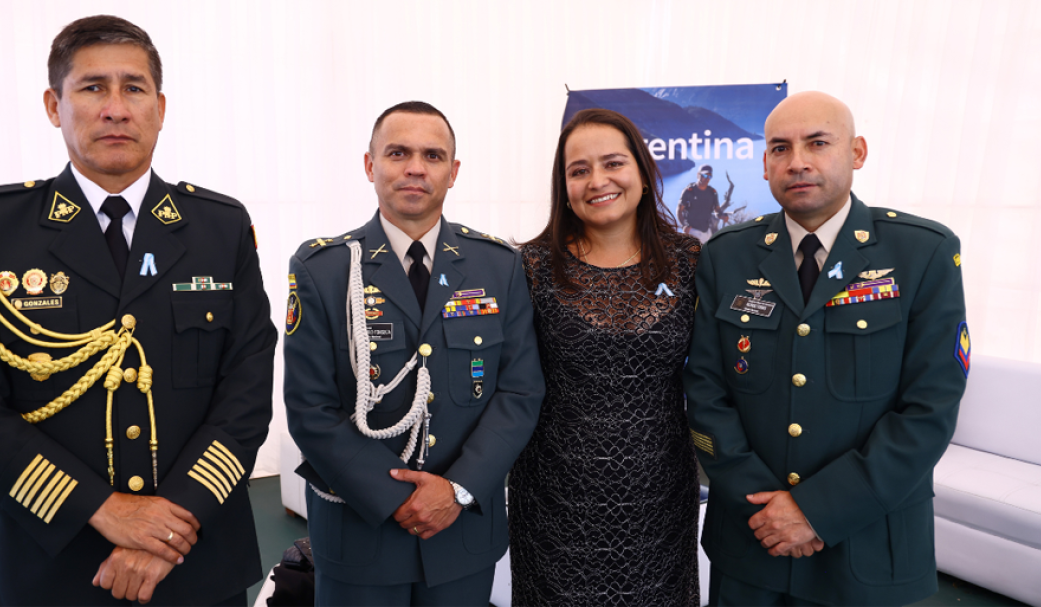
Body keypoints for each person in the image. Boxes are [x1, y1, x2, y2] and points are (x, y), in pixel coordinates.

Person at [0, 15, 277, 606]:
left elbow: (244, 395)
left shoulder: (221, 228)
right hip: (50, 558)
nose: (116, 108)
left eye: (133, 88)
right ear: (53, 105)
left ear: (159, 107)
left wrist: (167, 526)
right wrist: (102, 510)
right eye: (92, 88)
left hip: (193, 555)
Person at [683, 91, 968, 606]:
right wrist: (766, 509)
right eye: (779, 148)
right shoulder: (726, 256)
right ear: (764, 164)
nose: (798, 163)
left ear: (857, 152)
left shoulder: (921, 252)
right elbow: (705, 389)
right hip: (753, 542)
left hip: (867, 546)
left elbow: (931, 407)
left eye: (818, 143)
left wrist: (816, 510)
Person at [283, 101, 544, 607]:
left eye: (433, 155)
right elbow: (309, 409)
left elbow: (520, 391)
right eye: (398, 153)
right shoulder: (325, 268)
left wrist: (457, 490)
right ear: (369, 165)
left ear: (453, 172)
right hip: (361, 534)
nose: (415, 168)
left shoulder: (498, 266)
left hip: (461, 533)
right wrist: (396, 498)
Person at [507, 108, 702, 606]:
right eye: (579, 171)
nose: (598, 181)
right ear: (564, 185)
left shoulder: (691, 262)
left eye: (613, 163)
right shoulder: (528, 267)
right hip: (555, 499)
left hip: (658, 496)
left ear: (641, 169)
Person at [677, 164, 727, 243]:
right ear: (698, 175)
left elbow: (717, 211)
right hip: (692, 231)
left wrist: (722, 216)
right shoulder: (689, 191)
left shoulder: (712, 192)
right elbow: (679, 210)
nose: (707, 178)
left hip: (707, 232)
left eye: (709, 176)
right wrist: (684, 225)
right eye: (704, 175)